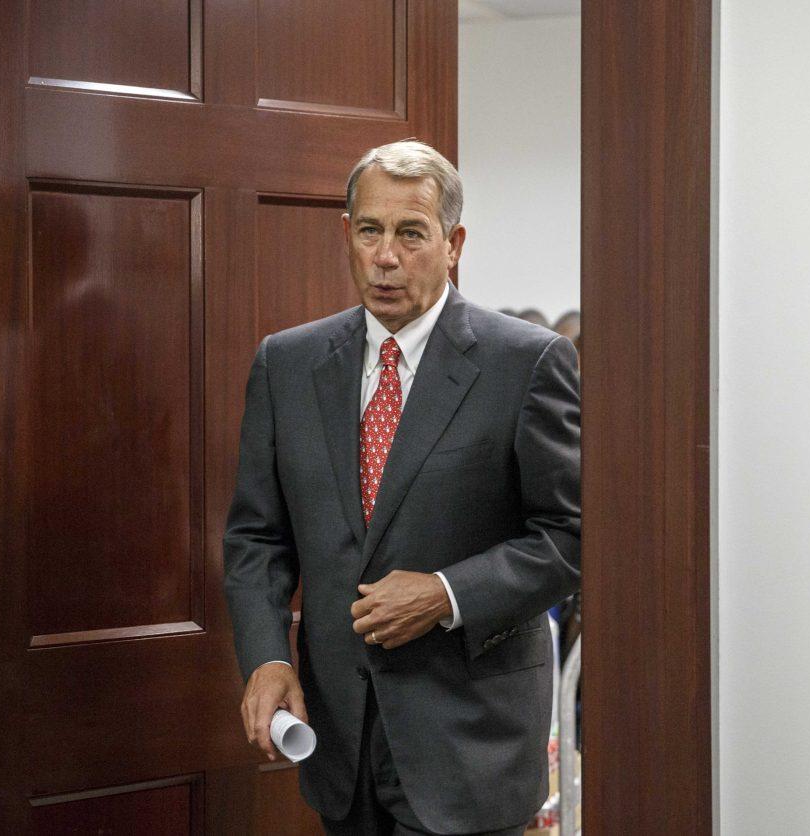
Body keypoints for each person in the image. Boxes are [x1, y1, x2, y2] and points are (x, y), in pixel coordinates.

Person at [223, 140, 581, 835]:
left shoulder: (527, 362)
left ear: (453, 244)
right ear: (347, 235)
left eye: (411, 233)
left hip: (471, 744)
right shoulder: (287, 364)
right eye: (370, 230)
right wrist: (266, 657)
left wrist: (447, 594)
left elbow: (570, 538)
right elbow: (256, 537)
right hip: (340, 745)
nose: (385, 256)